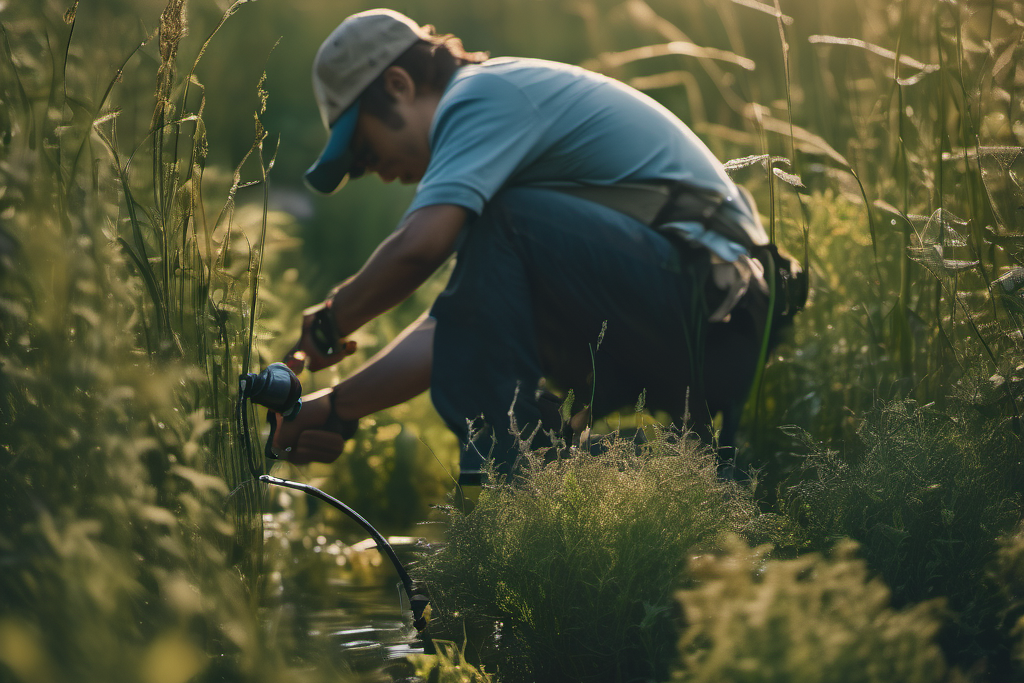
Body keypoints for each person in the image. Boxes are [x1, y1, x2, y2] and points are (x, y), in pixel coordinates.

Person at [270, 8, 802, 482]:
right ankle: (595, 487)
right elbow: (457, 325)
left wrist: (331, 321)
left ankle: (512, 499)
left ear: (399, 84)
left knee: (505, 221)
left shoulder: (480, 95)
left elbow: (419, 246)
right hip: (699, 317)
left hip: (718, 307)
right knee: (488, 290)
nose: (376, 173)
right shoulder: (497, 156)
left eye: (364, 149)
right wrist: (339, 407)